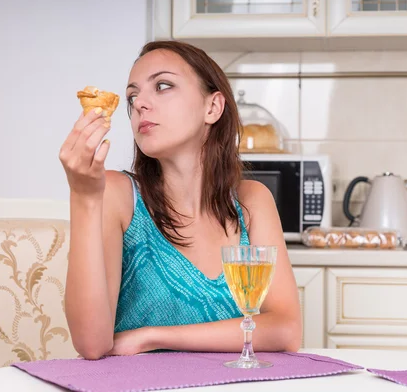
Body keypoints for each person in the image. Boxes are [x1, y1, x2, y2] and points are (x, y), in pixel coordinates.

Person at [59, 40, 302, 360]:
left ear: (212, 107)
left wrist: (152, 337)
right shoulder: (117, 194)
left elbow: (286, 330)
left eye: (162, 86)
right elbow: (91, 344)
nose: (140, 104)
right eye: (133, 97)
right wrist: (84, 195)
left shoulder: (252, 202)